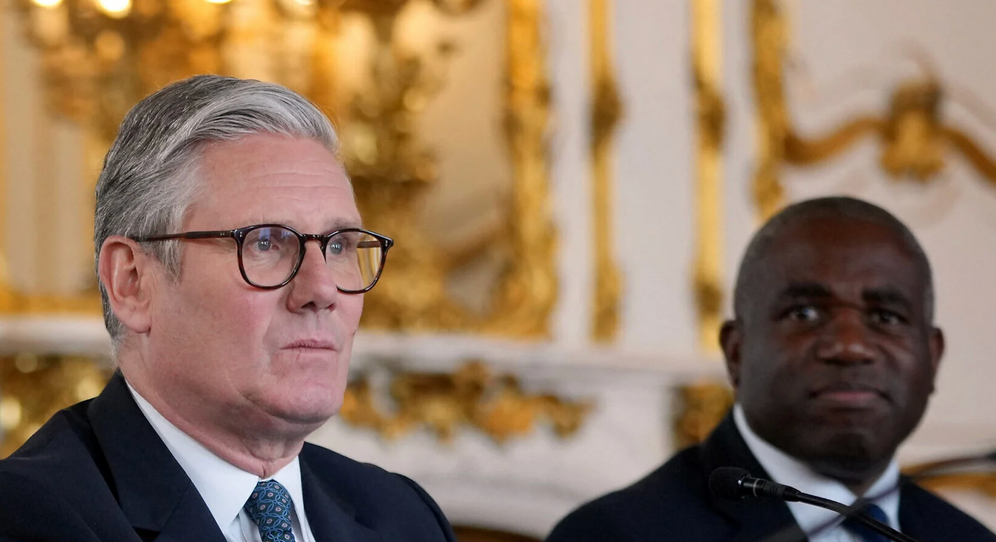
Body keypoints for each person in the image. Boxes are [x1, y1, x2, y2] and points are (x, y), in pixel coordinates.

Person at [0, 75, 457, 542]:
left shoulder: (404, 516)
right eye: (265, 242)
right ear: (132, 283)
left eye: (338, 246)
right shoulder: (26, 517)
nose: (322, 290)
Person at [547, 197, 996, 542]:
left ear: (933, 357)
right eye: (804, 314)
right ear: (736, 352)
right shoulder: (617, 534)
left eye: (886, 318)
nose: (850, 346)